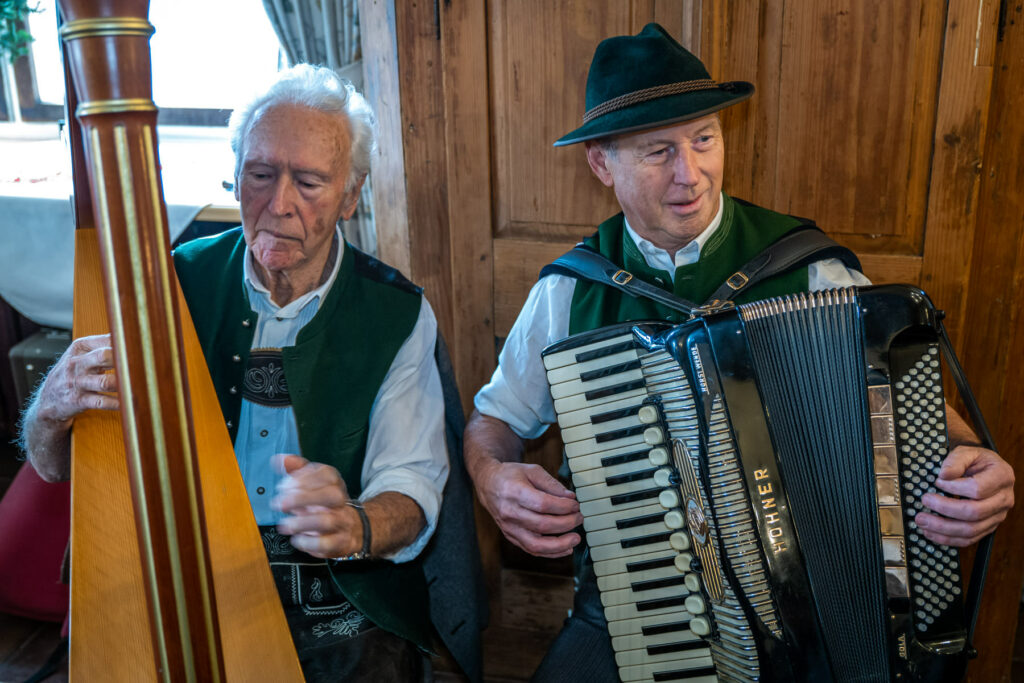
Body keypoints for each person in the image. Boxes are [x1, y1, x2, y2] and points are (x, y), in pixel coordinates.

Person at [463, 23, 1015, 681]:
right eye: (657, 150)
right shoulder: (571, 289)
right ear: (600, 163)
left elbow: (920, 418)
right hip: (637, 609)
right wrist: (492, 477)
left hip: (814, 615)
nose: (688, 174)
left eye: (704, 139)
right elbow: (493, 423)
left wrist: (974, 468)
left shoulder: (808, 269)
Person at [20, 64, 482, 682]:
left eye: (310, 182)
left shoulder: (394, 311)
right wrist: (50, 406)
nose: (279, 204)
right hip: (185, 568)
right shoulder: (169, 283)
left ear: (351, 194)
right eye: (260, 175)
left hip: (336, 595)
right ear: (236, 177)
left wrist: (355, 524)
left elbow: (413, 486)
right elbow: (53, 465)